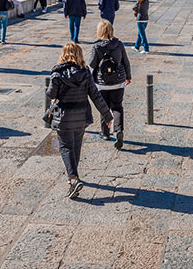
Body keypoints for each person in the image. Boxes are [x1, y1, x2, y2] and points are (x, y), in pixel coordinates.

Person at [47, 42, 114, 199]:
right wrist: (107, 115)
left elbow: (51, 94)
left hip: (63, 116)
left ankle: (73, 179)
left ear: (64, 55)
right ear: (79, 55)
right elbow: (96, 96)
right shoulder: (85, 72)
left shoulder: (57, 74)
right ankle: (74, 178)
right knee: (76, 146)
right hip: (81, 116)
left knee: (65, 147)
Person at [89, 20, 131, 148]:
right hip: (118, 81)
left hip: (102, 83)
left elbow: (92, 64)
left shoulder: (96, 46)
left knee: (104, 107)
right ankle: (118, 130)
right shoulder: (119, 44)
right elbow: (126, 62)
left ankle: (105, 133)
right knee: (117, 106)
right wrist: (128, 77)